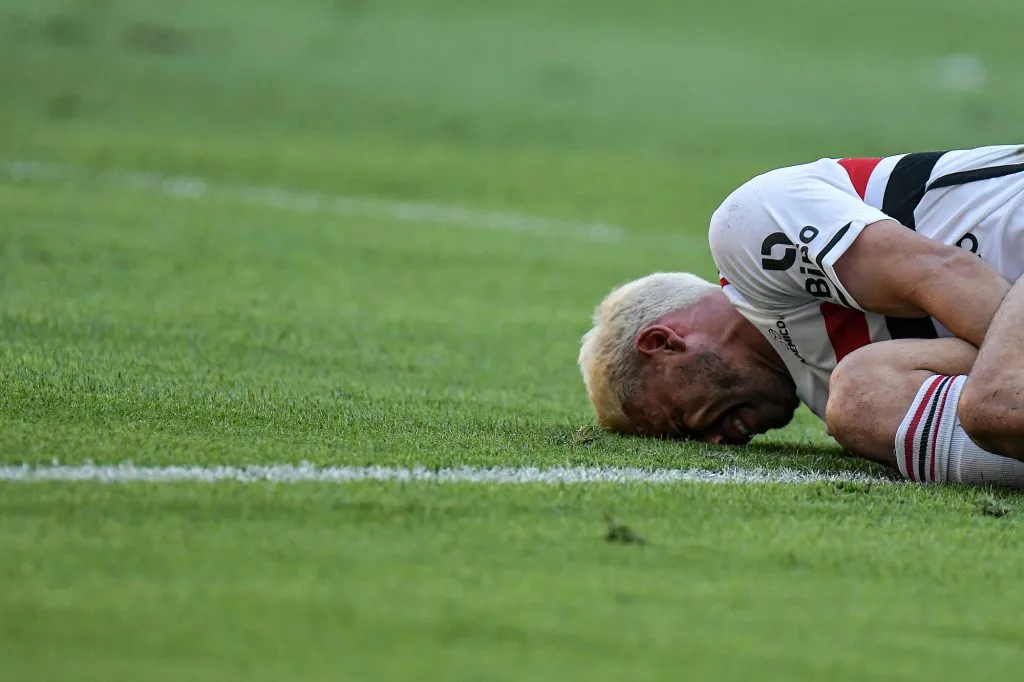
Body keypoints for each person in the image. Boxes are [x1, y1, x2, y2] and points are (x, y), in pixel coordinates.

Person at [579, 144, 1024, 486]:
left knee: (980, 402)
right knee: (865, 401)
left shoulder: (745, 232)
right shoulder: (829, 391)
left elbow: (944, 271)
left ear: (661, 343)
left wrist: (996, 398)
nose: (714, 442)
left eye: (681, 424)